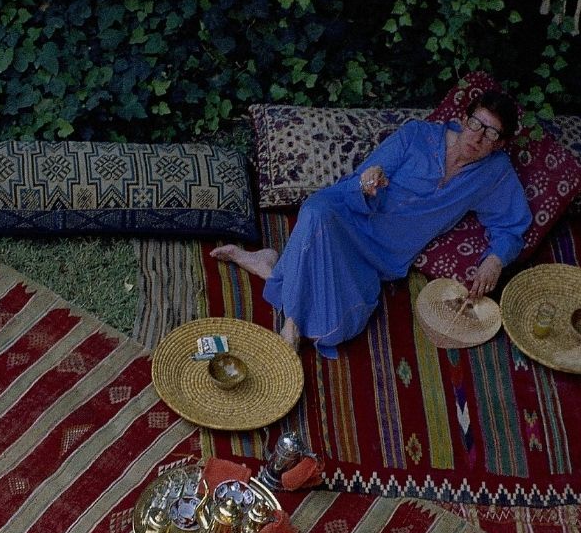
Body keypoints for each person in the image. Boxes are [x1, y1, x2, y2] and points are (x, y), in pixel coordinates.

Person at [214, 88, 530, 358]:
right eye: (475, 123)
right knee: (316, 209)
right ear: (464, 119)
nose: (477, 136)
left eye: (491, 132)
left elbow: (512, 226)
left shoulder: (495, 173)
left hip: (382, 258)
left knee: (330, 333)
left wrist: (495, 260)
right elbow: (362, 177)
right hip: (350, 220)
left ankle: (271, 267)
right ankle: (292, 323)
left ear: (500, 143)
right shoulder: (417, 135)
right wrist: (367, 184)